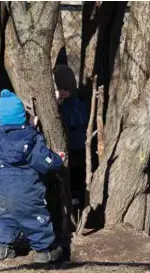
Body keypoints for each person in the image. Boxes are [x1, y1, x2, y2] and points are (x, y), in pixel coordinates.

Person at [0, 89, 65, 263]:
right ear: (23, 116)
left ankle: (0, 249)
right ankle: (44, 251)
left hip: (3, 193)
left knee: (3, 219)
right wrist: (58, 160)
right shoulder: (32, 138)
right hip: (27, 193)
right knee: (35, 219)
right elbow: (43, 161)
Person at [53, 65, 90, 206]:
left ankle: (78, 204)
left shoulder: (77, 104)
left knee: (77, 178)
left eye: (64, 89)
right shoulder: (58, 105)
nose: (61, 93)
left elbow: (79, 120)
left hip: (78, 148)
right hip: (65, 149)